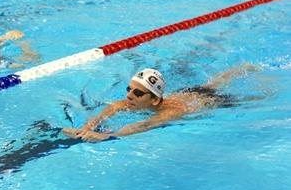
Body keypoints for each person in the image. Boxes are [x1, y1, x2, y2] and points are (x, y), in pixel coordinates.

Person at [62, 64, 259, 142]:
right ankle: (241, 68)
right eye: (128, 89)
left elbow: (145, 124)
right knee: (211, 83)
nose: (130, 96)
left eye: (138, 93)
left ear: (154, 100)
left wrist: (108, 135)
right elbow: (113, 107)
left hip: (207, 102)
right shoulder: (132, 101)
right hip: (186, 92)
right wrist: (87, 126)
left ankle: (248, 69)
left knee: (253, 100)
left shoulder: (170, 113)